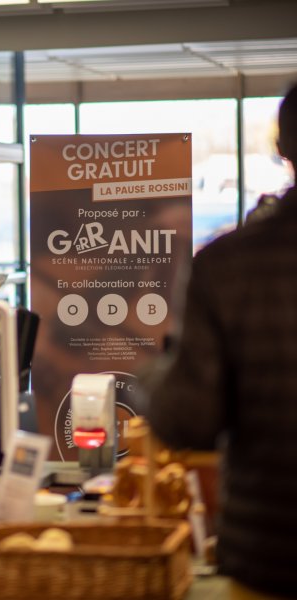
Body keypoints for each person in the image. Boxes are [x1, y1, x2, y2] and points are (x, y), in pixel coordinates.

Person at [140, 83, 297, 599]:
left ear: (283, 149)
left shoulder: (229, 265)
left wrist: (155, 371)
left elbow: (189, 421)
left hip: (271, 556)